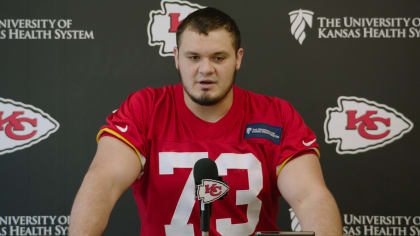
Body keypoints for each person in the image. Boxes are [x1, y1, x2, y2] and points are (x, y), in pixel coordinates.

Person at [69, 7, 342, 236]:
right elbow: (103, 181)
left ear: (238, 58)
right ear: (177, 58)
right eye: (193, 57)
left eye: (219, 57)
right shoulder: (146, 109)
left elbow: (309, 196)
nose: (206, 69)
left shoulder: (276, 115)